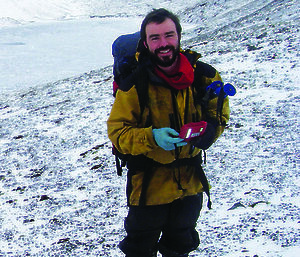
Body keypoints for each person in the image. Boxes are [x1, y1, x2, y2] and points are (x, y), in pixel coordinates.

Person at [107, 8, 230, 257]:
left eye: (169, 35)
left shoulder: (204, 76)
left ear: (179, 36)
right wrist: (151, 137)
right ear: (145, 43)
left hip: (191, 182)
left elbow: (219, 114)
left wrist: (210, 131)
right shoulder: (134, 85)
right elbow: (117, 132)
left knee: (181, 243)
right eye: (155, 38)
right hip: (149, 187)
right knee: (140, 247)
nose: (163, 44)